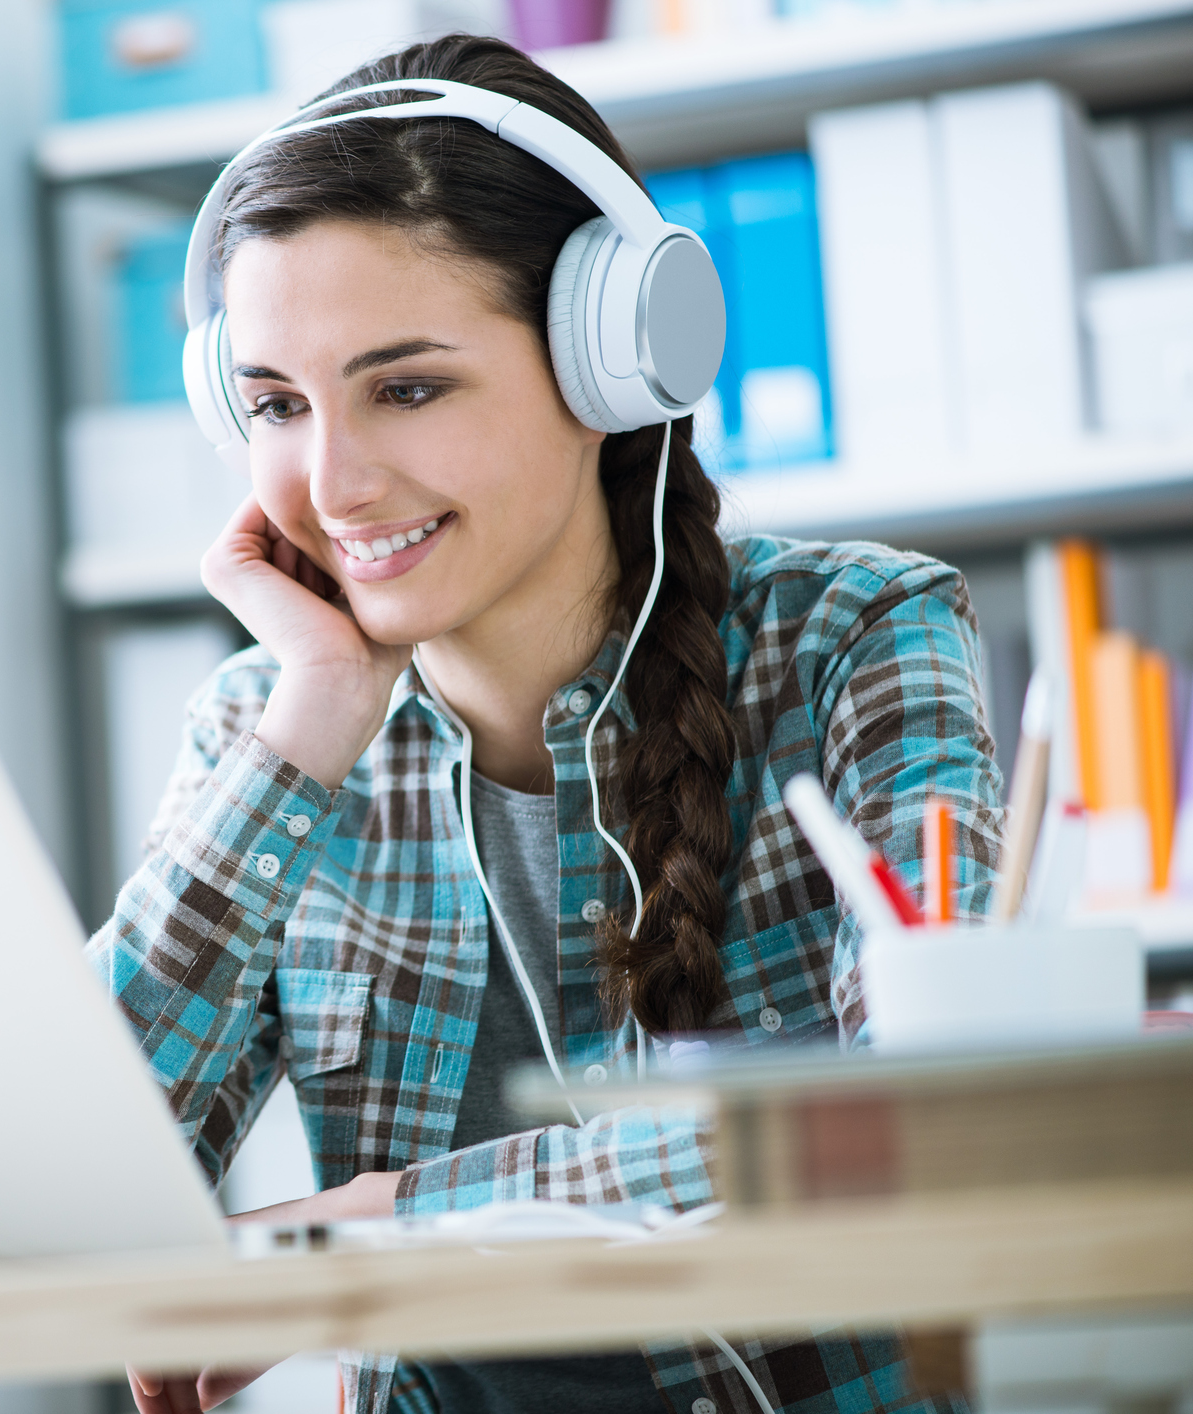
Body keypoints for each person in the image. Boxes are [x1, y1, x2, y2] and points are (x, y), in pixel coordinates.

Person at [84, 33, 999, 1414]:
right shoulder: (264, 729)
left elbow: (918, 1122)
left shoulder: (852, 639)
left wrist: (389, 1226)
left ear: (611, 367)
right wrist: (311, 722)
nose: (331, 485)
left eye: (406, 387)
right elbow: (77, 1179)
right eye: (275, 404)